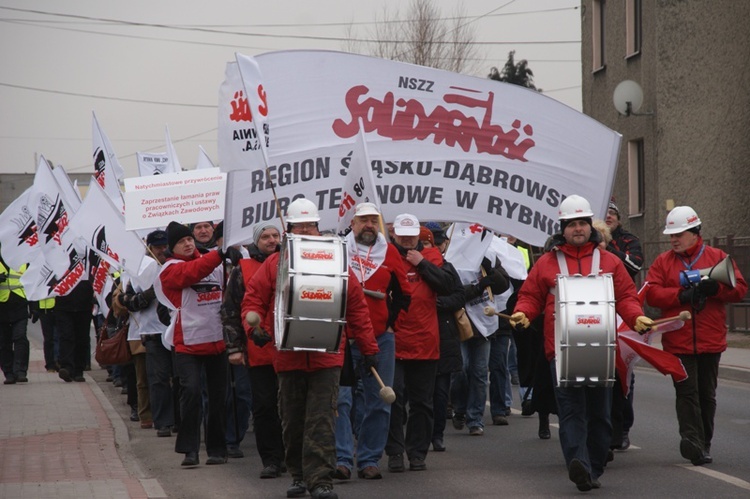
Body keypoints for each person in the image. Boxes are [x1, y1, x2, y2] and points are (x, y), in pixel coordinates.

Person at [510, 194, 654, 492]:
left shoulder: (610, 261)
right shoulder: (546, 263)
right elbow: (530, 296)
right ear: (562, 228)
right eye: (571, 224)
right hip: (560, 352)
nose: (577, 229)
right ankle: (579, 464)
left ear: (590, 226)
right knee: (571, 411)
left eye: (582, 223)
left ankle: (595, 465)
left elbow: (627, 296)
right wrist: (522, 313)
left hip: (601, 350)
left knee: (600, 413)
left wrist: (636, 316)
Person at [242, 198, 379, 499]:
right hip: (287, 357)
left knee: (321, 420)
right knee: (291, 420)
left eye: (309, 225)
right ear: (288, 228)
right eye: (298, 225)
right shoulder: (273, 264)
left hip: (326, 357)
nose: (304, 229)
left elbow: (355, 305)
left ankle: (321, 481)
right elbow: (253, 300)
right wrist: (255, 329)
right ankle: (299, 476)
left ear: (318, 227)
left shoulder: (336, 260)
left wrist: (369, 347)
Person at [644, 206, 746, 466]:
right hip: (678, 342)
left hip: (711, 339)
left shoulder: (717, 256)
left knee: (706, 395)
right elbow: (652, 293)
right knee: (686, 392)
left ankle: (704, 443)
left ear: (695, 233)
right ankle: (692, 441)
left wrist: (717, 289)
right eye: (671, 235)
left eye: (679, 234)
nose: (674, 239)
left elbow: (739, 289)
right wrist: (680, 295)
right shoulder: (663, 262)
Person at [334, 203, 411, 480]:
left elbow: (404, 295)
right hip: (342, 337)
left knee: (379, 400)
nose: (369, 225)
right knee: (340, 401)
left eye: (373, 221)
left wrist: (391, 327)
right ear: (352, 223)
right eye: (363, 220)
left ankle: (368, 459)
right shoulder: (338, 250)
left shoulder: (389, 252)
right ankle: (342, 459)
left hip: (380, 339)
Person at [155, 221, 228, 467]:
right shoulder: (169, 268)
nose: (187, 244)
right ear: (172, 248)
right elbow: (191, 273)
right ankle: (190, 450)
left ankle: (218, 449)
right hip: (187, 343)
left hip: (216, 340)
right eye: (181, 242)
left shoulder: (214, 262)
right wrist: (220, 254)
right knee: (192, 394)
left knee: (219, 399)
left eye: (189, 240)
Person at [385, 213, 454, 473]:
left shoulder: (434, 258)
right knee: (394, 399)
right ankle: (394, 452)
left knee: (422, 403)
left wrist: (422, 264)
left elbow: (449, 286)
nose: (406, 239)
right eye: (401, 235)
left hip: (426, 342)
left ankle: (417, 453)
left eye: (411, 235)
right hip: (393, 340)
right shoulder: (384, 256)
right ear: (393, 235)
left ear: (418, 235)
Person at [223, 222, 286, 476]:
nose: (271, 240)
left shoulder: (292, 262)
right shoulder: (243, 269)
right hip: (259, 351)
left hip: (291, 350)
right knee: (264, 406)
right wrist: (234, 347)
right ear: (255, 241)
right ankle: (271, 459)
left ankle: (293, 456)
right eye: (266, 237)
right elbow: (230, 310)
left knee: (291, 407)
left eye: (275, 235)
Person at [450, 229, 510, 436]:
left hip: (484, 323)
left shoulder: (489, 256)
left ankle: (475, 419)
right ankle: (459, 408)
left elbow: (503, 285)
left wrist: (490, 270)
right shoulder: (451, 258)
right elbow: (453, 293)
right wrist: (478, 287)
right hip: (462, 322)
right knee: (460, 370)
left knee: (479, 373)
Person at [117, 229, 174, 436]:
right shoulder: (138, 270)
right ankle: (162, 422)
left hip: (175, 330)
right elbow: (129, 302)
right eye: (157, 247)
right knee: (155, 379)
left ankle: (177, 419)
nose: (162, 250)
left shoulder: (174, 265)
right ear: (149, 248)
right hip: (151, 332)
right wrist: (154, 290)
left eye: (164, 246)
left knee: (176, 379)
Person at [425, 226, 464, 452]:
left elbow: (459, 296)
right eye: (431, 243)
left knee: (440, 394)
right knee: (421, 395)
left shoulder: (447, 268)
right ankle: (420, 434)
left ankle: (437, 434)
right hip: (419, 338)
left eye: (437, 243)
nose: (437, 247)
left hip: (444, 336)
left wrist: (439, 304)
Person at [0, 254, 30, 385]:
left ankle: (20, 371)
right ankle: (9, 373)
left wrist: (35, 306)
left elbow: (33, 282)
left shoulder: (22, 256)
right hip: (2, 307)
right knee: (3, 342)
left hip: (20, 305)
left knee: (20, 338)